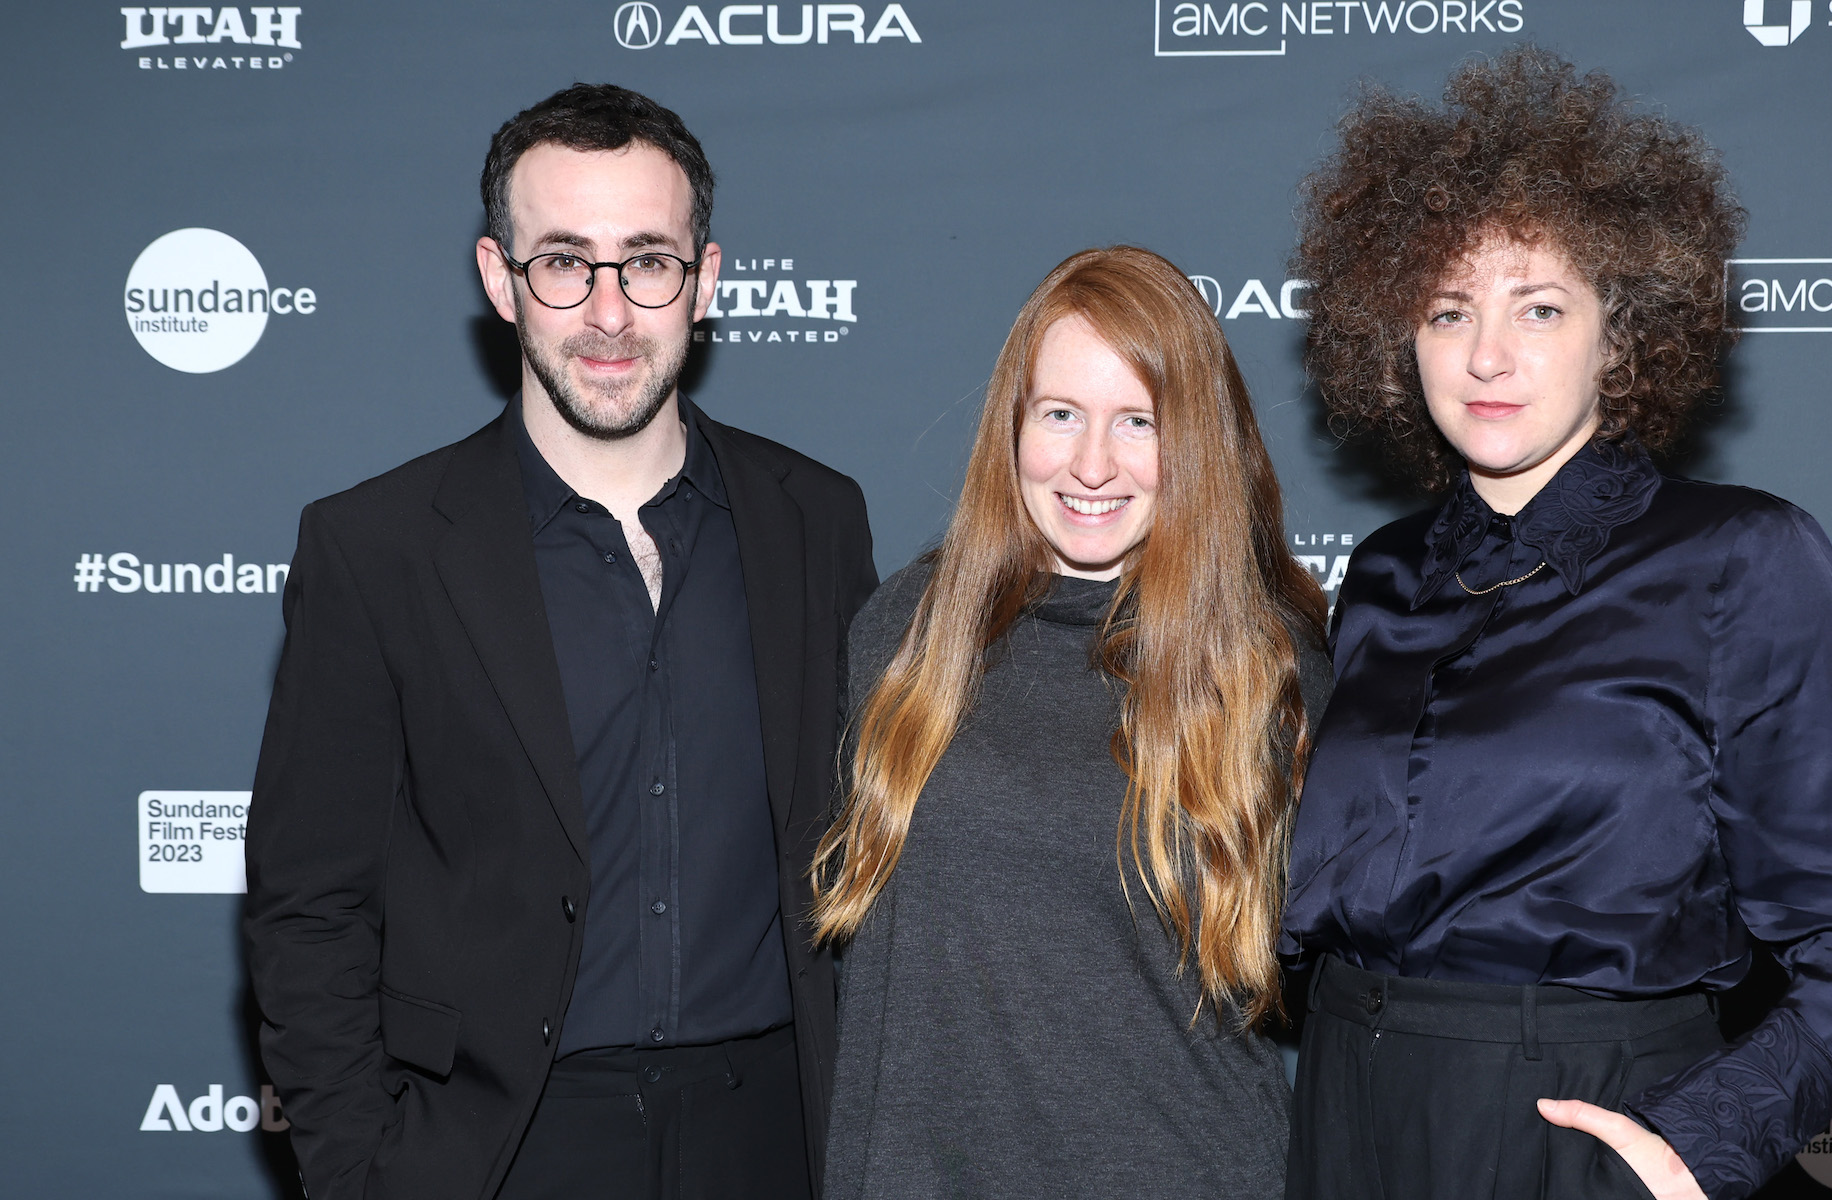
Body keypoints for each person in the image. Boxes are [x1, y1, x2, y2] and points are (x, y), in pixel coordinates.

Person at [1278, 49, 1832, 1200]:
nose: (1488, 354)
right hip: (1350, 1102)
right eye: (1448, 309)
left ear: (1620, 336)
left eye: (1540, 307)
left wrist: (1699, 1144)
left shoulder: (1739, 556)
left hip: (1582, 1118)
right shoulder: (1383, 574)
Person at [243, 83, 877, 1200]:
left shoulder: (815, 521)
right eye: (564, 263)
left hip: (773, 1139)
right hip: (494, 1148)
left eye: (647, 261)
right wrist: (364, 1172)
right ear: (501, 278)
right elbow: (310, 904)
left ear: (706, 279)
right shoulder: (376, 548)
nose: (609, 313)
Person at [812, 246, 1331, 1200]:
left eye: (1140, 422)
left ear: (1197, 442)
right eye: (1061, 415)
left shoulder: (1267, 664)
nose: (1092, 465)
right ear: (1013, 424)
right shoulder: (904, 632)